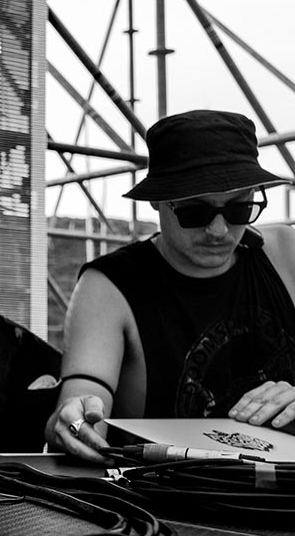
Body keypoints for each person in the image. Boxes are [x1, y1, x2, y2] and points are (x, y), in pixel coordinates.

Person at [46, 109, 295, 463]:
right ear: (158, 201)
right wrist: (75, 420)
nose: (219, 230)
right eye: (195, 213)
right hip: (163, 493)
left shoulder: (286, 254)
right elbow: (82, 399)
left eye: (239, 209)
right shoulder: (110, 287)